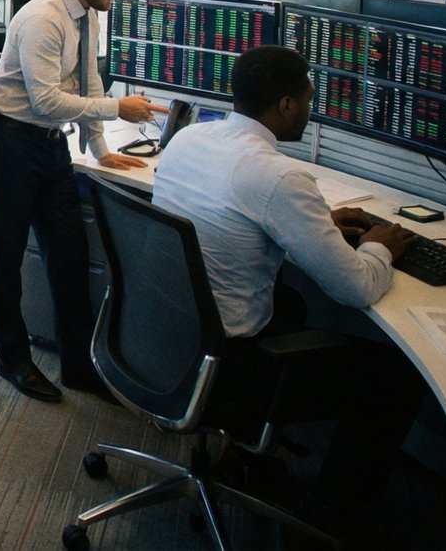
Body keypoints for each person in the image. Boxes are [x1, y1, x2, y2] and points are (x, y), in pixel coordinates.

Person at [152, 45, 427, 528]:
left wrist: (314, 221)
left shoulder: (190, 140)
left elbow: (239, 215)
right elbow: (356, 288)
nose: (311, 106)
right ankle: (332, 517)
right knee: (394, 377)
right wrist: (381, 246)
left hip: (166, 335)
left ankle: (253, 451)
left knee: (292, 300)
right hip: (227, 361)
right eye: (308, 97)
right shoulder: (279, 176)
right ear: (286, 106)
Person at [0, 0, 162, 404]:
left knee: (69, 255)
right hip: (9, 140)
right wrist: (117, 111)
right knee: (7, 254)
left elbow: (87, 77)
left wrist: (99, 147)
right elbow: (47, 99)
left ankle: (79, 365)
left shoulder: (88, 14)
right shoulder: (43, 17)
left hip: (49, 143)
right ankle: (12, 357)